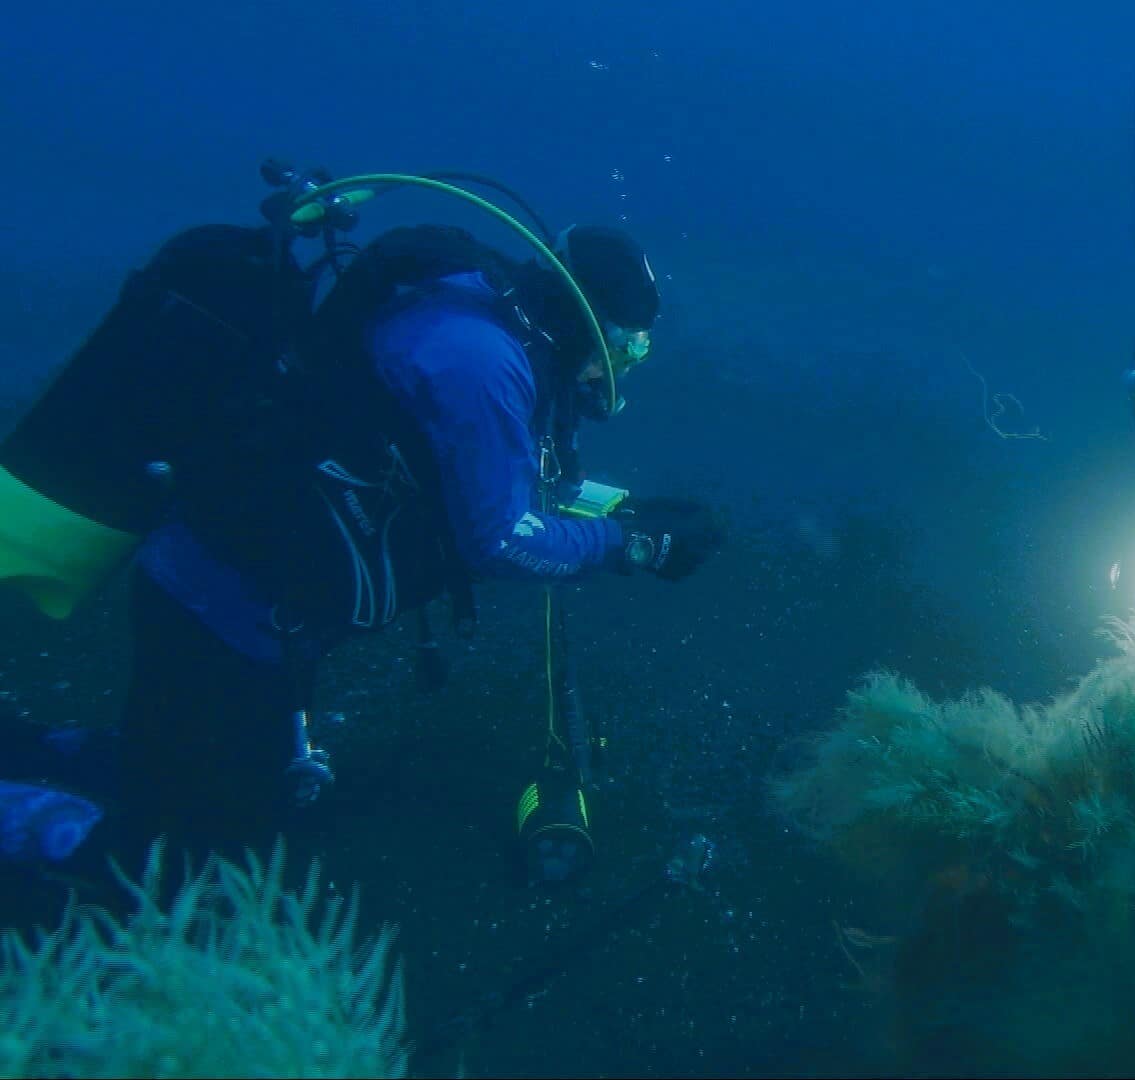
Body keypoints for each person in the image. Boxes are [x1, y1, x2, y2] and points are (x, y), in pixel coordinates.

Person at [1, 196, 725, 867]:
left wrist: (627, 514)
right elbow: (501, 537)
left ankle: (38, 753)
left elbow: (495, 476)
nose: (622, 368)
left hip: (232, 595)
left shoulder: (495, 319)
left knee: (181, 764)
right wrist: (630, 544)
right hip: (228, 612)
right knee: (181, 858)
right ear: (589, 322)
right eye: (628, 348)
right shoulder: (483, 361)